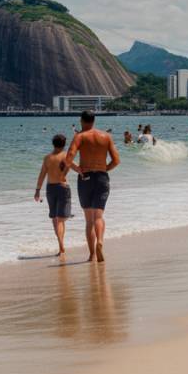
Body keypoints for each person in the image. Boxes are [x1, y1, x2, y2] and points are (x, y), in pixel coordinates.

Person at [65, 110, 120, 263]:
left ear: (82, 121)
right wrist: (104, 169)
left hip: (86, 178)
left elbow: (69, 158)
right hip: (102, 177)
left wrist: (77, 169)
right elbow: (116, 160)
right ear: (94, 121)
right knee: (99, 216)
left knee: (89, 220)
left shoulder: (80, 136)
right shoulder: (106, 137)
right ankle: (100, 241)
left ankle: (92, 255)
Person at [34, 133, 72, 257]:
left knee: (55, 219)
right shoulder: (66, 156)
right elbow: (73, 166)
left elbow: (42, 175)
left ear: (53, 144)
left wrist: (37, 190)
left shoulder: (47, 158)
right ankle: (61, 246)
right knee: (61, 220)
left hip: (50, 188)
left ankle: (60, 245)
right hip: (63, 187)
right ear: (64, 144)